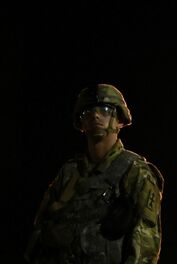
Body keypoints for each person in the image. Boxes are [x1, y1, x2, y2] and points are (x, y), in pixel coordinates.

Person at [25, 84, 164, 264]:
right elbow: (41, 232)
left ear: (120, 120)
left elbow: (146, 245)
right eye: (87, 112)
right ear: (81, 123)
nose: (95, 116)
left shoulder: (135, 171)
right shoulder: (69, 173)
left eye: (105, 110)